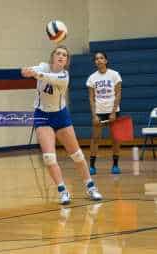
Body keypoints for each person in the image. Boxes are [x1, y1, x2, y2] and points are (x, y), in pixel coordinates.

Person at [21, 45, 102, 205]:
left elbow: (48, 78)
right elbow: (26, 71)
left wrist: (36, 73)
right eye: (58, 53)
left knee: (77, 154)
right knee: (49, 158)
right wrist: (26, 71)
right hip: (42, 115)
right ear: (53, 56)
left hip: (60, 115)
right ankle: (62, 190)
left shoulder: (64, 76)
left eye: (64, 55)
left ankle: (90, 187)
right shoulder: (43, 66)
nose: (61, 56)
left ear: (66, 61)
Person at [86, 52, 122, 175]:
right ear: (95, 62)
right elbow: (91, 98)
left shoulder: (114, 75)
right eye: (96, 59)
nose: (99, 60)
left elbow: (118, 94)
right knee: (95, 139)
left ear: (106, 61)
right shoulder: (91, 78)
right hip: (99, 112)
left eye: (101, 58)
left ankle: (115, 165)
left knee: (115, 139)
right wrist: (94, 115)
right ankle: (91, 166)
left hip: (113, 111)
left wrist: (113, 112)